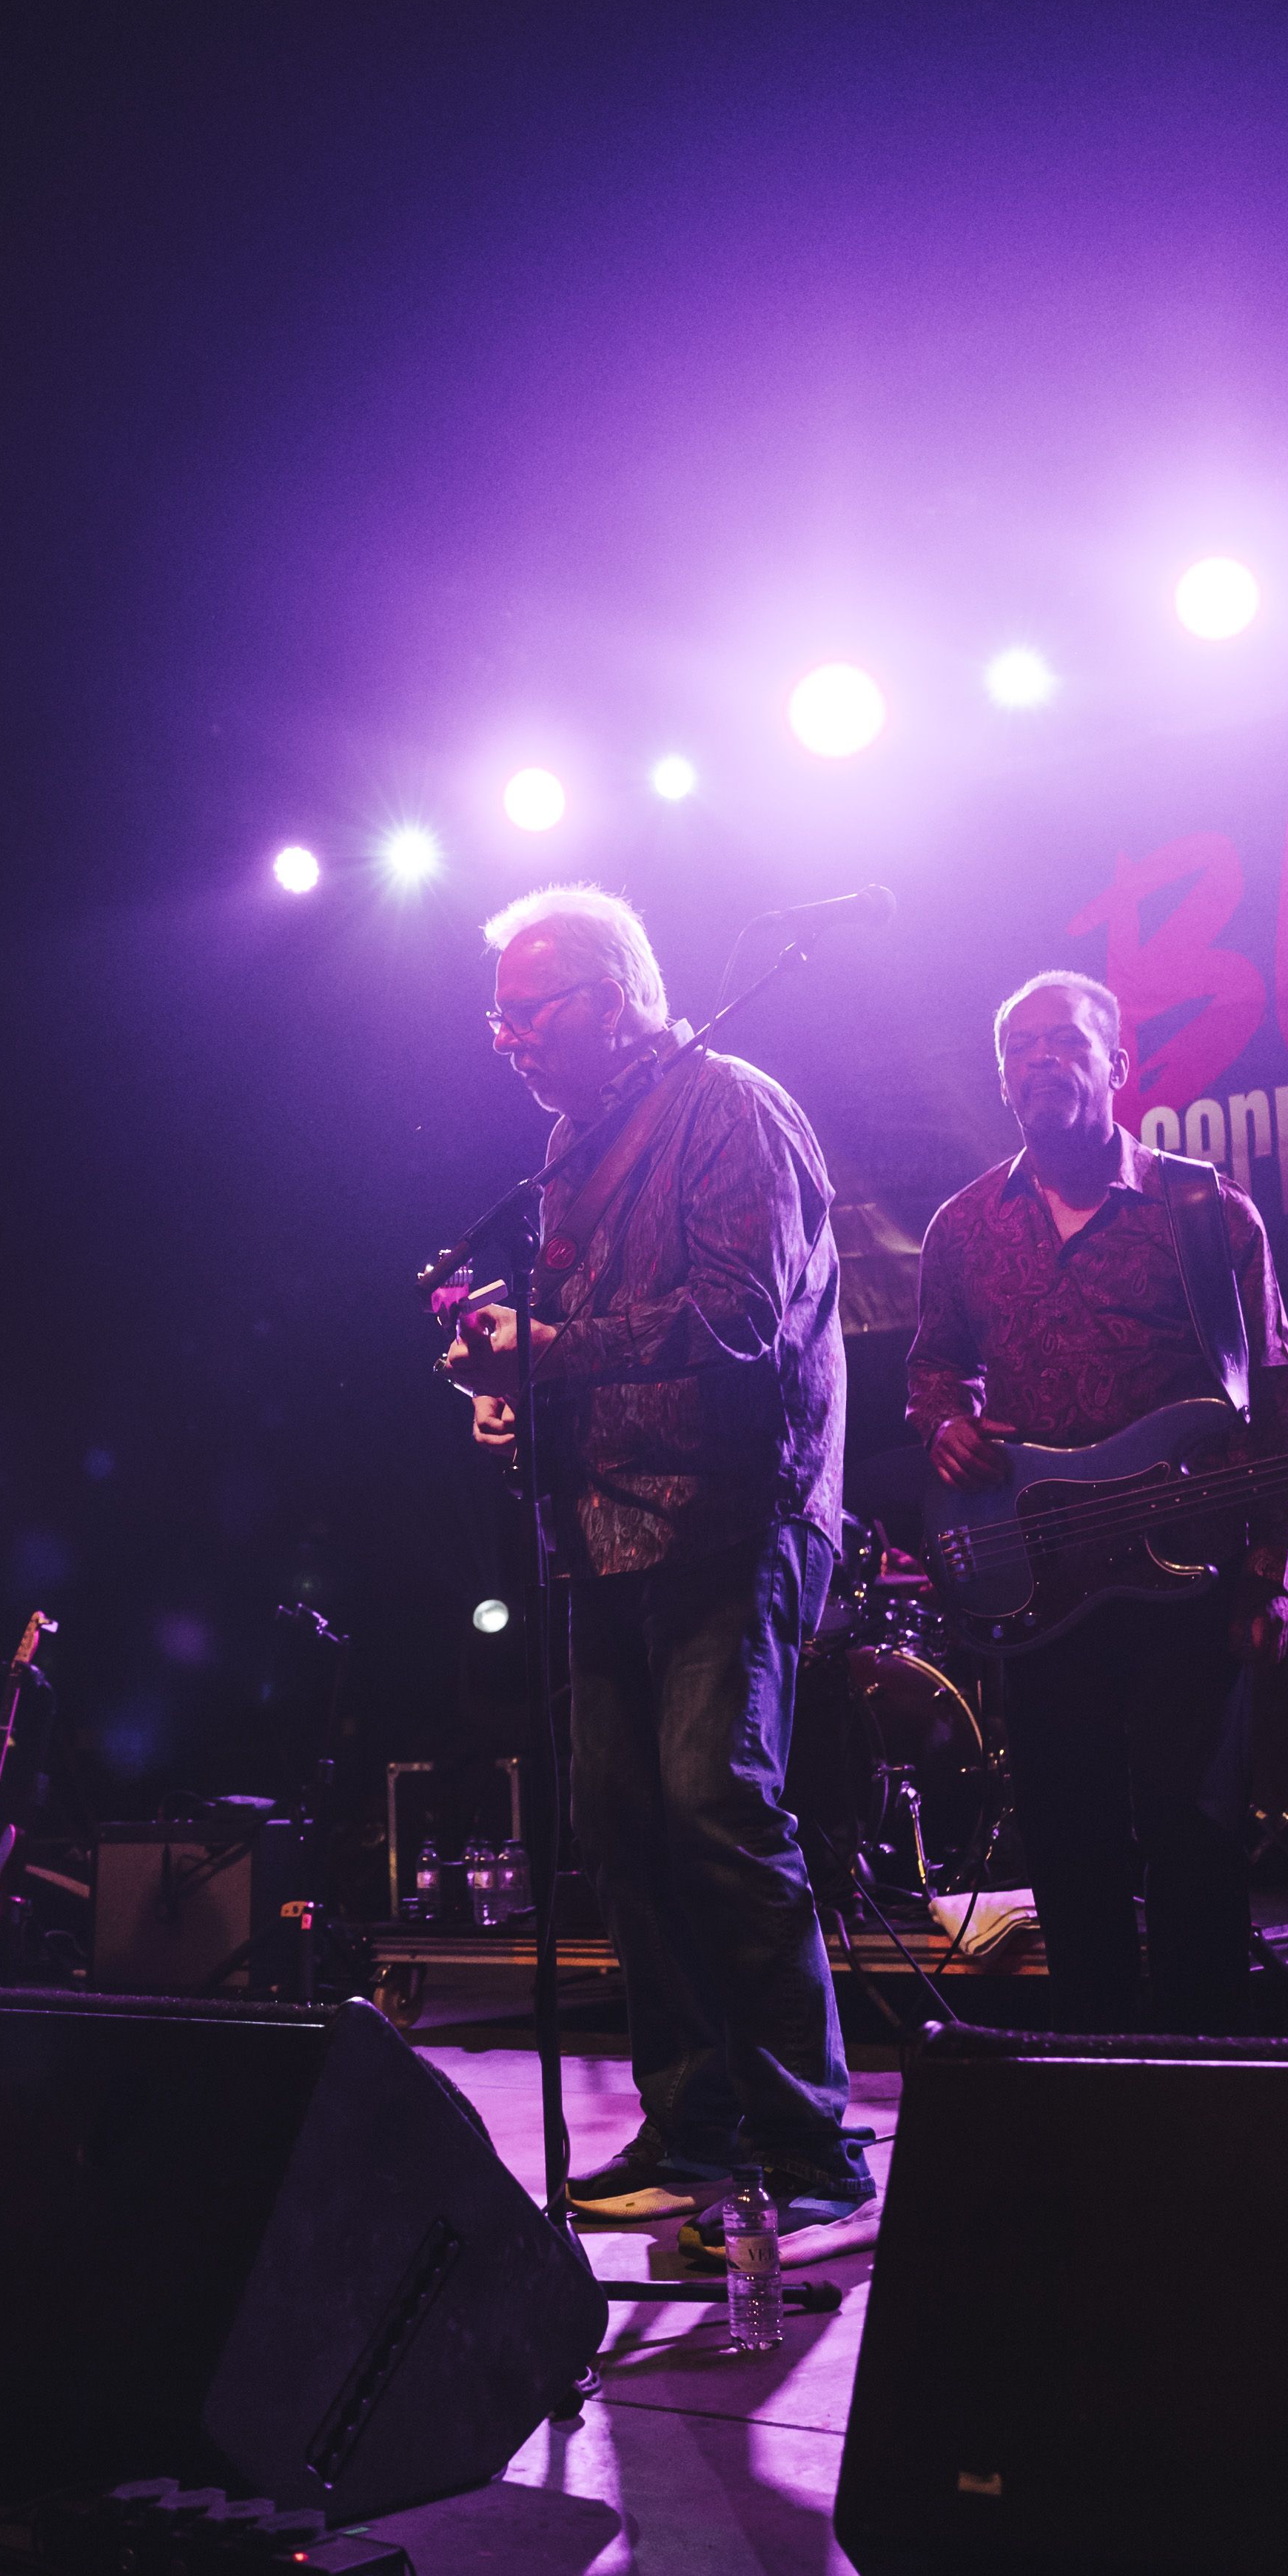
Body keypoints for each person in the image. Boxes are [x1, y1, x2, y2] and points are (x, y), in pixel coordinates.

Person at [437, 885, 865, 2264]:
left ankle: (810, 2143)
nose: (507, 1037)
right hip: (603, 1528)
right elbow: (579, 1331)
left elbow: (739, 1321)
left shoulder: (729, 1106)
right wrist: (504, 1376)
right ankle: (695, 2132)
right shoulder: (567, 1148)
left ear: (615, 999)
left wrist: (548, 1352)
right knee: (620, 1822)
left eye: (529, 1009)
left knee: (714, 1804)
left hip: (737, 1517)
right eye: (493, 1015)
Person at [908, 971, 1288, 2034]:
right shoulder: (962, 1228)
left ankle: (1208, 2082)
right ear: (1002, 1077)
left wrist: (1272, 1570)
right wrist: (943, 1425)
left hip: (1190, 1571)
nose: (1044, 1060)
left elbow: (1275, 1402)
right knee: (1070, 1839)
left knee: (1194, 1835)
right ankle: (1095, 2085)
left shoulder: (1206, 1211)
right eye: (1022, 1046)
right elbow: (933, 1373)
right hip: (1041, 1580)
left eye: (1068, 1042)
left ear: (1118, 1064)